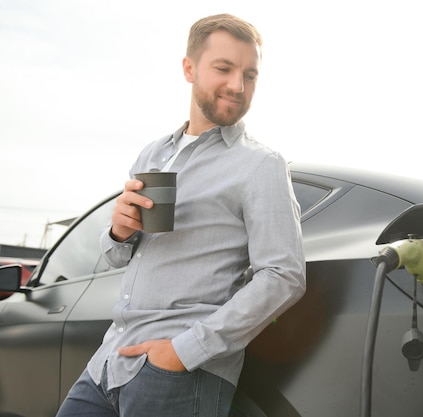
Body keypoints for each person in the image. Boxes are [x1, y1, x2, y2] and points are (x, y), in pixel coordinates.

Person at [56, 13, 306, 417]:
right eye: (223, 69)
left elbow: (285, 276)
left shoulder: (261, 164)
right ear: (189, 68)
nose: (237, 86)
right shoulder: (154, 153)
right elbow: (121, 258)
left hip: (178, 372)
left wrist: (183, 351)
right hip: (109, 359)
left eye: (250, 75)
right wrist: (119, 231)